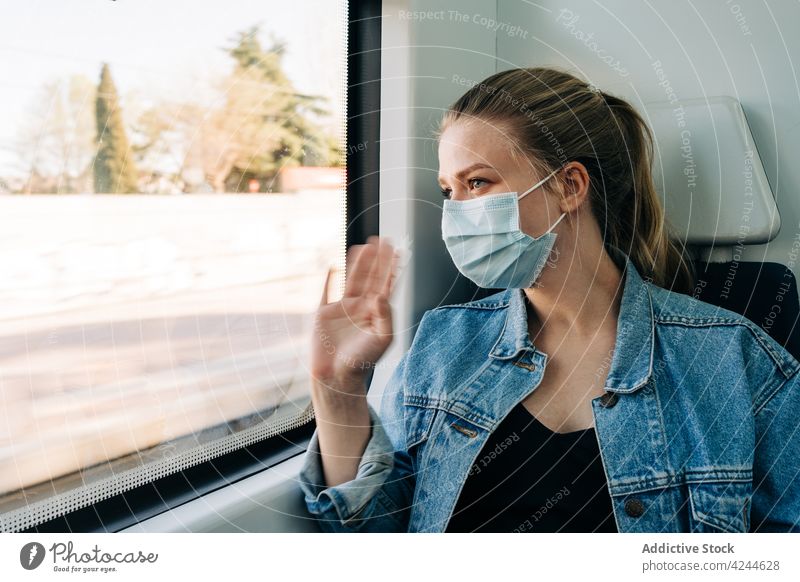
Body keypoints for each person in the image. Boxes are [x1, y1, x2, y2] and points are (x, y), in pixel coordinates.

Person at [298, 66, 800, 533]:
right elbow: (379, 536)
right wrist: (337, 386)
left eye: (478, 182)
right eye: (449, 191)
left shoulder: (735, 361)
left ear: (569, 186)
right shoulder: (442, 344)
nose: (456, 212)